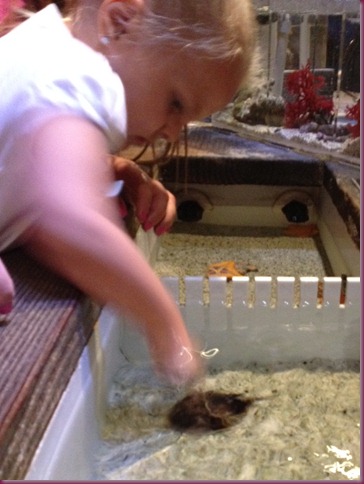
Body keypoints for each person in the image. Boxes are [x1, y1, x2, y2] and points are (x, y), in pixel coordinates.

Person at [0, 0, 257, 384]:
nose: (171, 133)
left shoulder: (43, 48)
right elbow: (68, 218)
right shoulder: (81, 74)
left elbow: (28, 165)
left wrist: (124, 175)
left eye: (185, 121)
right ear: (119, 22)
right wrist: (165, 325)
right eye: (175, 103)